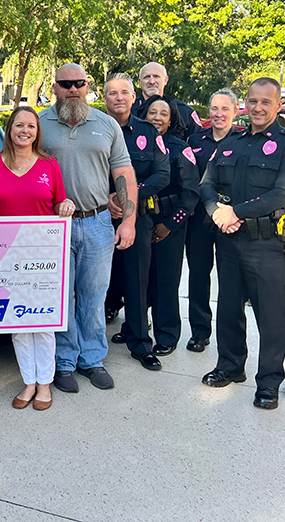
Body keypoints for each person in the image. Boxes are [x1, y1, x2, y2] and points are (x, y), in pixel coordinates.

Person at [199, 77, 285, 410]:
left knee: (271, 316)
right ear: (245, 103)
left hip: (266, 244)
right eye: (253, 101)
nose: (258, 108)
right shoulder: (232, 142)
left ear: (277, 104)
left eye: (266, 102)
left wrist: (235, 212)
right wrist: (216, 212)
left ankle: (269, 382)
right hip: (229, 240)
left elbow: (283, 194)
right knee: (229, 309)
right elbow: (207, 182)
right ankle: (230, 366)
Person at [38, 63, 137, 393]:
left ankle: (92, 359)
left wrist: (129, 220)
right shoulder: (39, 124)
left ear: (87, 85)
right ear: (54, 87)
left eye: (78, 83)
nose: (72, 89)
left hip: (97, 222)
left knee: (95, 296)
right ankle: (64, 361)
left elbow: (123, 172)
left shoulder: (106, 124)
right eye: (65, 84)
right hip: (55, 226)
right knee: (62, 297)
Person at [0, 107, 74, 411]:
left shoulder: (49, 165)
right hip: (5, 257)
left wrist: (67, 204)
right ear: (10, 129)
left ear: (37, 131)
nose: (25, 131)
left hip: (41, 257)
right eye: (19, 125)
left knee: (43, 321)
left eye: (31, 126)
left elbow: (60, 201)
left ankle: (45, 384)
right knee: (17, 321)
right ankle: (28, 382)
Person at [104, 73, 170, 371]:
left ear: (134, 97)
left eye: (124, 92)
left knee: (136, 281)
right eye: (112, 93)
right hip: (99, 216)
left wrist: (128, 194)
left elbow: (161, 174)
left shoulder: (147, 131)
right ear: (104, 98)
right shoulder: (93, 129)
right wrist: (107, 198)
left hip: (137, 217)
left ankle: (140, 342)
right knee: (97, 283)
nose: (119, 98)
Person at [140, 95, 200, 355]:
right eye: (152, 112)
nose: (157, 118)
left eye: (163, 114)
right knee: (140, 279)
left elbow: (191, 194)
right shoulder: (136, 143)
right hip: (142, 219)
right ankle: (138, 329)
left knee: (166, 280)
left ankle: (167, 334)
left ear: (171, 119)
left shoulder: (179, 148)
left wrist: (169, 225)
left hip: (170, 223)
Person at [185, 90, 239, 352]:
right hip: (199, 219)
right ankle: (200, 331)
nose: (219, 114)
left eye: (225, 109)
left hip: (231, 220)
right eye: (214, 108)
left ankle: (229, 336)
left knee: (230, 279)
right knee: (198, 275)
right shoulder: (195, 140)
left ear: (235, 111)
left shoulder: (243, 140)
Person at [131, 62, 202, 140]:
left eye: (156, 76)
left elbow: (199, 143)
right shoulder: (129, 111)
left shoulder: (184, 111)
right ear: (140, 82)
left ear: (165, 80)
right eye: (147, 77)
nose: (152, 81)